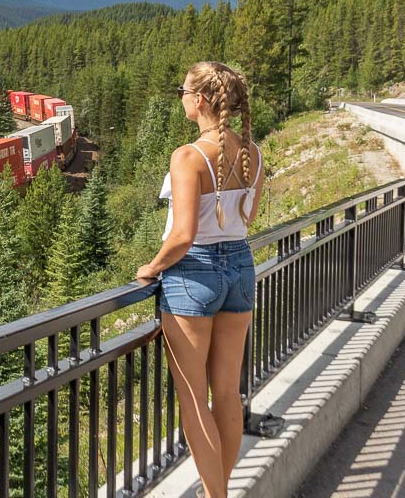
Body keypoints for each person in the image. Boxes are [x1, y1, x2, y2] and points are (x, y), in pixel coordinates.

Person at [136, 61, 264, 498]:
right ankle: (220, 491)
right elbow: (245, 218)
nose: (182, 97)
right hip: (240, 268)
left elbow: (183, 235)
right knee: (226, 395)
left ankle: (217, 496)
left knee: (193, 400)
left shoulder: (188, 156)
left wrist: (152, 267)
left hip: (194, 275)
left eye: (183, 91)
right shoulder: (253, 153)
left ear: (201, 100)